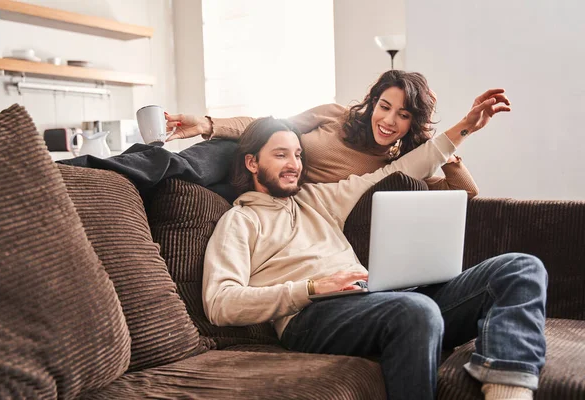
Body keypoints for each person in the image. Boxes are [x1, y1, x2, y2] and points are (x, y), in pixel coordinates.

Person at [201, 89, 547, 400]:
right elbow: (220, 303)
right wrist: (310, 288)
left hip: (375, 300)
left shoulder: (318, 198)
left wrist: (466, 127)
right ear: (252, 162)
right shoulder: (240, 220)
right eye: (281, 155)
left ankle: (508, 392)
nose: (294, 165)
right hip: (310, 317)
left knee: (520, 268)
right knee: (416, 311)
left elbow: (397, 169)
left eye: (297, 155)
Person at [165, 70, 480, 199]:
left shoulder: (395, 167)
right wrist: (207, 124)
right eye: (384, 106)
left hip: (275, 198)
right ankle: (140, 168)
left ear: (413, 123)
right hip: (254, 164)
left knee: (184, 194)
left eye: (403, 114)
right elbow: (271, 126)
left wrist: (443, 149)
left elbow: (466, 193)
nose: (388, 120)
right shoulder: (334, 115)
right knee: (219, 149)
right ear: (373, 103)